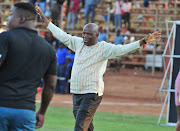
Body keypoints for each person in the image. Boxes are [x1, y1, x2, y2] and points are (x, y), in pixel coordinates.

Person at [36, 5, 161, 131]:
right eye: (84, 33)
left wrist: (143, 41)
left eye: (89, 34)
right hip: (77, 91)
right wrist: (45, 20)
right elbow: (61, 34)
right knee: (87, 127)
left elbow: (123, 49)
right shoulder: (78, 43)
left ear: (97, 35)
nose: (85, 36)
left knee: (79, 128)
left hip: (91, 93)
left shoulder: (103, 48)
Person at [0, 2, 57, 130]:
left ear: (21, 19)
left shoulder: (5, 38)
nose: (8, 19)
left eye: (11, 15)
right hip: (26, 112)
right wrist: (42, 112)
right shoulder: (48, 49)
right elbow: (51, 86)